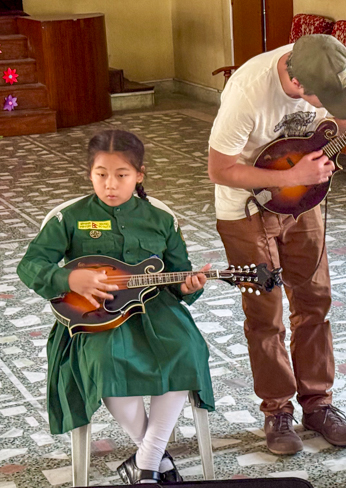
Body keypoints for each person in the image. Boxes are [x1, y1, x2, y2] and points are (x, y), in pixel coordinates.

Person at [207, 34, 346, 454]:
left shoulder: (322, 62)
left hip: (303, 196)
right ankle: (277, 411)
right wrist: (288, 178)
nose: (323, 103)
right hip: (246, 208)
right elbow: (219, 169)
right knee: (265, 310)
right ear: (297, 83)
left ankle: (318, 404)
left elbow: (333, 126)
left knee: (314, 299)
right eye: (319, 98)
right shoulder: (248, 91)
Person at [17, 129, 215, 485]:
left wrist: (188, 288)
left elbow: (177, 274)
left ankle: (148, 463)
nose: (110, 184)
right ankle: (155, 462)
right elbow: (30, 265)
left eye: (121, 175)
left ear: (139, 175)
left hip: (155, 311)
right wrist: (68, 280)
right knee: (105, 365)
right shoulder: (71, 218)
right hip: (94, 316)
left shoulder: (160, 219)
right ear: (89, 173)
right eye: (101, 174)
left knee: (185, 350)